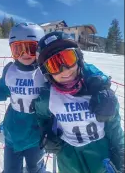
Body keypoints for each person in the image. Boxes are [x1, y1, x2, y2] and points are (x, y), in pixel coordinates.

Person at [32, 31, 124, 173]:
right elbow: (42, 117)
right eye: (54, 65)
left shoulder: (99, 93)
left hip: (101, 158)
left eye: (68, 59)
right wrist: (46, 132)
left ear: (79, 58)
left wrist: (121, 155)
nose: (65, 70)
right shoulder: (47, 97)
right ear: (47, 72)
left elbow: (114, 128)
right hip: (68, 159)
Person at [0, 23, 47, 173]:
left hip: (37, 134)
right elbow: (3, 89)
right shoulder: (10, 70)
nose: (25, 54)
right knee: (10, 169)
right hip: (13, 132)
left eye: (31, 48)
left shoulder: (45, 71)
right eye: (18, 49)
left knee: (35, 169)